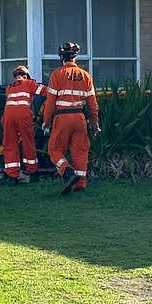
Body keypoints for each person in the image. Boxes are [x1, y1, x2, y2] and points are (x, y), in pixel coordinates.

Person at [42, 42, 101, 195]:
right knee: (80, 151)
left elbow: (50, 102)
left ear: (61, 57)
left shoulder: (57, 74)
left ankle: (67, 173)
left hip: (62, 118)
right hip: (80, 118)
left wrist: (46, 122)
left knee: (54, 149)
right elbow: (93, 105)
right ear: (75, 57)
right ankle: (80, 183)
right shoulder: (86, 75)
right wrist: (95, 124)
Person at [1, 65, 46, 183]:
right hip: (24, 116)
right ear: (26, 75)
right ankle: (33, 173)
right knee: (28, 143)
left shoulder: (9, 88)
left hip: (8, 116)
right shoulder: (29, 83)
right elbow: (45, 91)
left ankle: (12, 176)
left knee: (10, 144)